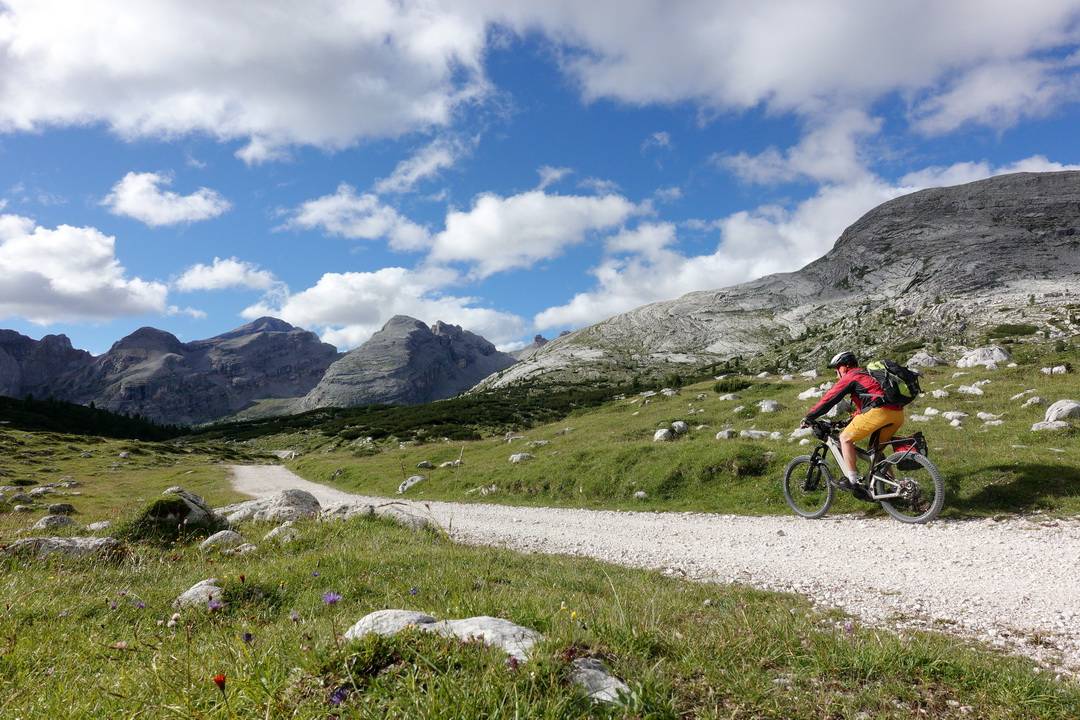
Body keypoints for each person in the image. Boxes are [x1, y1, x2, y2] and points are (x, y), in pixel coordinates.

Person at [801, 351, 905, 489]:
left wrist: (809, 417)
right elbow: (867, 405)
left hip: (879, 413)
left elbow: (829, 399)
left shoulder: (851, 376)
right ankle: (895, 488)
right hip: (897, 414)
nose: (836, 374)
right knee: (875, 453)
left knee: (844, 438)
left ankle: (852, 481)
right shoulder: (868, 375)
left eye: (836, 369)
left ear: (844, 367)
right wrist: (847, 421)